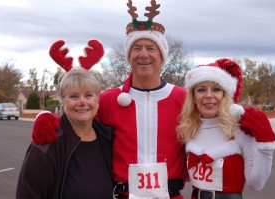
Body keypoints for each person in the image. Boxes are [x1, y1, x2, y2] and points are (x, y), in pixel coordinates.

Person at [31, 1, 188, 198]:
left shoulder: (184, 99)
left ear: (162, 56)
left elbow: (215, 122)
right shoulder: (108, 100)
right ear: (128, 55)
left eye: (151, 48)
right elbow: (78, 121)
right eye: (136, 48)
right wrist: (45, 118)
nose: (143, 54)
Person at [16, 39, 115, 199]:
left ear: (97, 100)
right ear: (62, 101)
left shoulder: (108, 138)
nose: (82, 102)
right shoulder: (46, 146)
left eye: (88, 95)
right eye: (74, 96)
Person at [176, 58, 275, 199]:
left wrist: (266, 146)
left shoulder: (238, 129)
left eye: (216, 89)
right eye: (201, 89)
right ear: (193, 97)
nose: (209, 95)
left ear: (224, 95)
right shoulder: (189, 129)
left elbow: (257, 183)